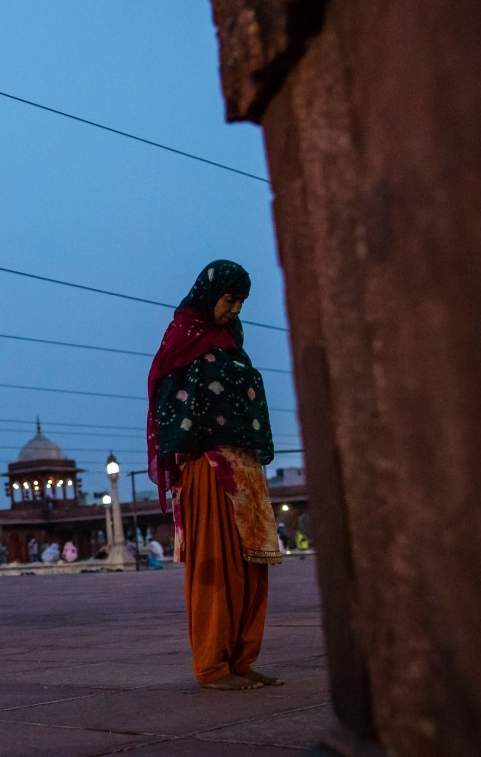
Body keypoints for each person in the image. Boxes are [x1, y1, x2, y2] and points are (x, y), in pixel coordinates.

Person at [148, 259, 284, 690]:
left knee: (251, 568)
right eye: (230, 299)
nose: (236, 309)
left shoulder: (230, 341)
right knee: (216, 563)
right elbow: (165, 401)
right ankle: (212, 665)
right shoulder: (181, 338)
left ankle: (242, 659)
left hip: (244, 466)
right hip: (206, 466)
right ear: (210, 296)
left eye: (241, 301)